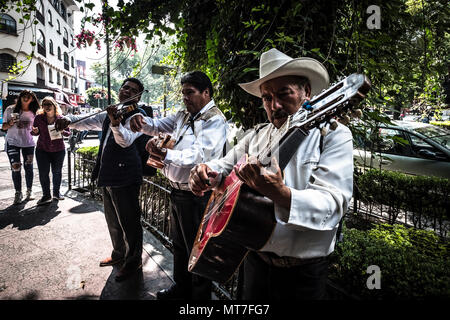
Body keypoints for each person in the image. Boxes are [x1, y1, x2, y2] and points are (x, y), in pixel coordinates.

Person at [189, 48, 354, 300]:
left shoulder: (331, 135)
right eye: (266, 98)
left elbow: (334, 205)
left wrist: (282, 195)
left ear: (306, 92)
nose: (274, 105)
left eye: (283, 93)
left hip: (303, 277)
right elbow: (222, 166)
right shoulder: (257, 134)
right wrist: (205, 173)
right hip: (253, 262)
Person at [129, 71, 228, 300]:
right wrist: (141, 122)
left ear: (206, 93)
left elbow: (199, 154)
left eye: (190, 93)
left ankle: (199, 299)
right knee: (180, 246)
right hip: (177, 192)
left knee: (198, 252)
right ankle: (181, 288)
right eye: (183, 93)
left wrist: (166, 153)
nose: (185, 98)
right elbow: (157, 126)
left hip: (197, 196)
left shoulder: (215, 119)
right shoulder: (183, 116)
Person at [55, 78, 147, 282]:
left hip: (126, 175)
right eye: (125, 87)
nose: (126, 91)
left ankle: (133, 262)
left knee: (129, 222)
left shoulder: (138, 115)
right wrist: (68, 119)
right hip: (108, 173)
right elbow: (86, 120)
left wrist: (116, 123)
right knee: (113, 220)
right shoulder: (109, 113)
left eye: (132, 90)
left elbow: (125, 141)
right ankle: (118, 254)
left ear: (138, 97)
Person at [2, 90, 40, 204]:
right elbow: (3, 127)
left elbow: (37, 130)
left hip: (28, 143)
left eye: (29, 96)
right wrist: (10, 123)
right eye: (24, 96)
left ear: (32, 99)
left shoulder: (35, 112)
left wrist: (36, 130)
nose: (26, 98)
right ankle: (18, 193)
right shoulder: (10, 109)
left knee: (29, 168)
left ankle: (29, 191)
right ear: (20, 97)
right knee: (16, 168)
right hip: (12, 142)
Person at [31, 96, 71, 205]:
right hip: (42, 149)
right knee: (44, 173)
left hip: (58, 150)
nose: (47, 107)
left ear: (54, 105)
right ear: (42, 107)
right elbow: (34, 132)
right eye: (45, 105)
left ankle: (56, 193)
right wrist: (34, 131)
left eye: (49, 104)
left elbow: (68, 133)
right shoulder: (39, 118)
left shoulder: (61, 118)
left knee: (57, 172)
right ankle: (46, 195)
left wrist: (63, 131)